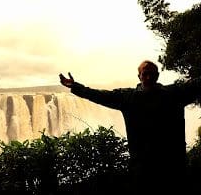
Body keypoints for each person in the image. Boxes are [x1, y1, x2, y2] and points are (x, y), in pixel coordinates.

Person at [59, 60, 201, 194]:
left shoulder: (172, 94)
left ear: (157, 76)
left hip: (166, 166)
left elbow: (197, 84)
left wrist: (77, 88)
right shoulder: (133, 97)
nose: (148, 77)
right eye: (145, 73)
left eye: (151, 73)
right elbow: (100, 96)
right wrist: (76, 87)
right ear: (139, 76)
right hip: (154, 167)